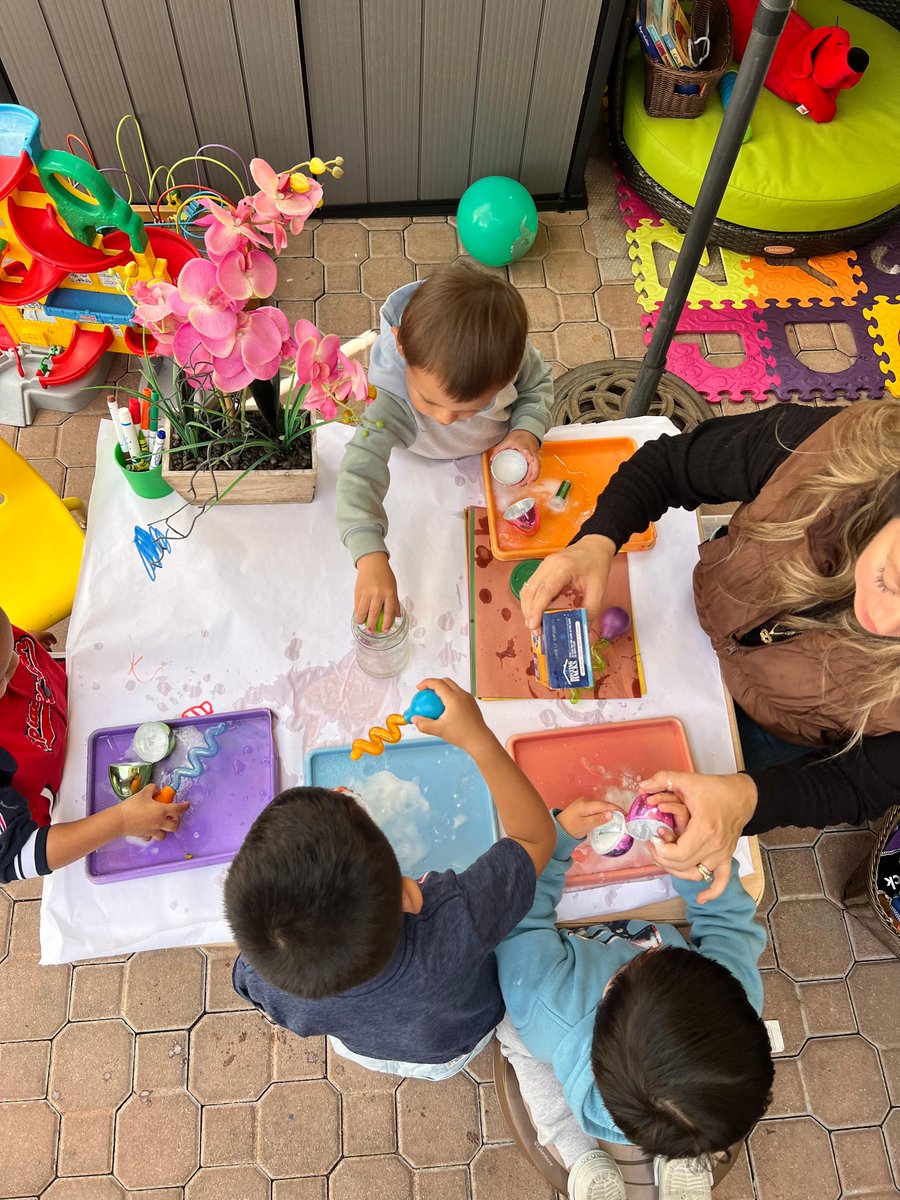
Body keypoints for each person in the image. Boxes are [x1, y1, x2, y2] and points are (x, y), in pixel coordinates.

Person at [519, 401, 900, 902]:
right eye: (890, 580)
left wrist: (750, 799)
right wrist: (598, 538)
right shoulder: (827, 451)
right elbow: (670, 466)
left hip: (776, 729)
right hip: (699, 605)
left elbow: (865, 782)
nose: (885, 624)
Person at [225, 678, 555, 1079]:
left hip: (369, 1049)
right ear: (411, 892)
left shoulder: (266, 972)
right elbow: (533, 837)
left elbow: (252, 985)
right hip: (456, 1043)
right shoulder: (457, 917)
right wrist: (478, 739)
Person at [496, 797, 773, 1200]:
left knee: (521, 1048)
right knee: (681, 1114)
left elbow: (519, 921)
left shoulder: (549, 1002)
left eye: (637, 965)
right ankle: (683, 1151)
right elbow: (728, 922)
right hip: (637, 1090)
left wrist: (555, 842)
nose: (645, 951)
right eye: (665, 955)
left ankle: (577, 1157)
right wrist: (693, 862)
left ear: (608, 993)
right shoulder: (732, 997)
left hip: (563, 1045)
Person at [337, 261, 553, 631]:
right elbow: (359, 470)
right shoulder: (389, 396)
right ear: (402, 345)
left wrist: (526, 431)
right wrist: (369, 554)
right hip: (421, 468)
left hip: (490, 464)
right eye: (430, 401)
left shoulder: (507, 359)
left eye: (471, 409)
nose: (446, 419)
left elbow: (537, 388)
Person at [0, 606, 188, 883]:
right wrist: (122, 821)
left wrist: (18, 643)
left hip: (74, 698)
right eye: (4, 673)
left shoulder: (14, 657)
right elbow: (18, 854)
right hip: (67, 787)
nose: (17, 663)